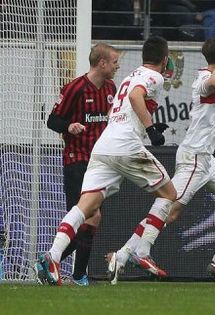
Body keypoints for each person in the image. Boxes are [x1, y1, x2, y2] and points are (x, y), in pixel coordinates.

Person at [105, 29, 215, 284]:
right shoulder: (205, 79)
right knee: (169, 210)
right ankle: (124, 254)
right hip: (194, 157)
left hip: (207, 159)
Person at [35, 36, 177, 286]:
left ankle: (53, 256)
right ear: (164, 60)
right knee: (169, 194)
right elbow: (135, 97)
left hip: (102, 146)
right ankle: (140, 250)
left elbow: (118, 109)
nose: (117, 66)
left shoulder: (128, 76)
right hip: (121, 147)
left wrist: (142, 125)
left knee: (85, 207)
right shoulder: (154, 77)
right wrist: (150, 128)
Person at [44, 43, 119, 286]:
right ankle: (58, 266)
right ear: (102, 63)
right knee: (87, 215)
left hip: (100, 164)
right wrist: (68, 126)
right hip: (76, 160)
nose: (117, 66)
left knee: (92, 218)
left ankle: (75, 274)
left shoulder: (111, 89)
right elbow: (52, 120)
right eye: (114, 61)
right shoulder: (75, 87)